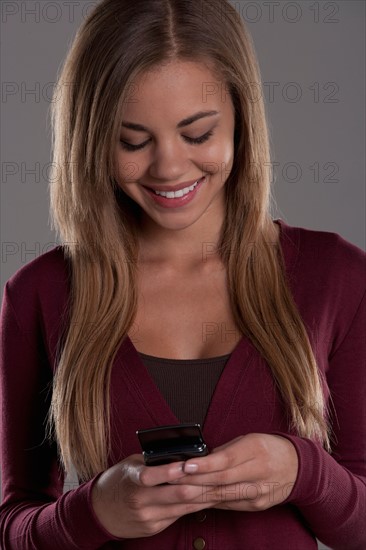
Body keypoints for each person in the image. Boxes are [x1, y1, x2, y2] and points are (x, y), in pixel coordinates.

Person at [0, 0, 365, 548]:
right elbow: (13, 527)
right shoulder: (40, 294)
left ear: (242, 120)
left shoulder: (337, 277)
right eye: (133, 141)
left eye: (197, 135)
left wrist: (304, 472)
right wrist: (93, 510)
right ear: (91, 139)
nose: (168, 168)